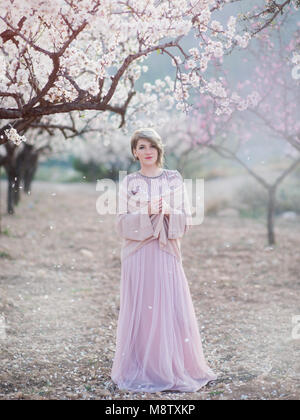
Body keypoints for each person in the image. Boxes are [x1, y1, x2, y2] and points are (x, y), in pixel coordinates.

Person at [111, 127, 217, 393]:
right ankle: (142, 366)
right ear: (134, 152)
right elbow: (121, 224)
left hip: (166, 251)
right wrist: (146, 212)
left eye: (151, 146)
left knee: (169, 305)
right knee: (143, 306)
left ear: (159, 150)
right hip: (138, 254)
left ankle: (172, 364)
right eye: (141, 147)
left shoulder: (173, 178)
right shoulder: (129, 183)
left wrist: (169, 211)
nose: (147, 152)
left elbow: (187, 219)